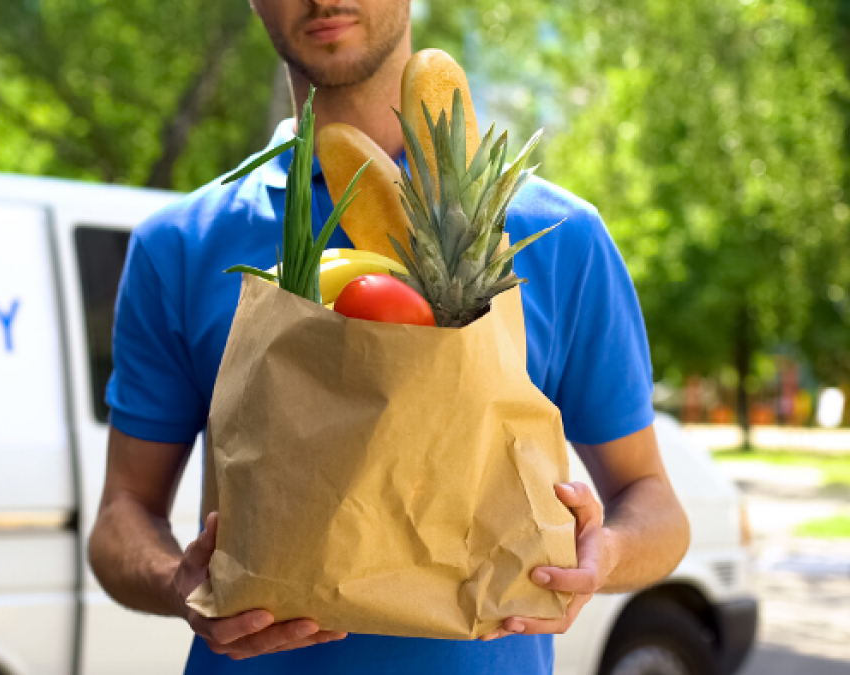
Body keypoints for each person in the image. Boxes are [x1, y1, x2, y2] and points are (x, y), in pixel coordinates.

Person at [87, 0, 690, 672]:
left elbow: (654, 504)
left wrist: (602, 555)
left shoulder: (560, 237)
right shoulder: (180, 245)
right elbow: (121, 515)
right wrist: (180, 584)